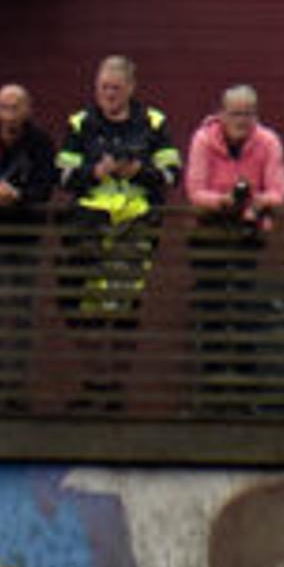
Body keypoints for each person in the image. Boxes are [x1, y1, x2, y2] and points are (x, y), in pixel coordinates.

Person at [55, 56, 177, 409]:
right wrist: (95, 172)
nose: (109, 94)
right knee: (79, 305)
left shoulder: (153, 122)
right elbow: (62, 174)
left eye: (116, 88)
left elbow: (172, 173)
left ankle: (113, 388)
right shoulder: (80, 123)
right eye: (103, 88)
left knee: (121, 308)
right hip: (87, 229)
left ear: (131, 88)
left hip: (135, 228)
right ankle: (94, 380)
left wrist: (138, 170)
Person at [184, 84, 284, 413]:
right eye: (235, 113)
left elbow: (279, 192)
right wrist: (225, 201)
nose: (241, 120)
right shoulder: (203, 140)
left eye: (248, 114)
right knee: (212, 314)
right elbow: (195, 192)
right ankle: (211, 395)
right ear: (221, 114)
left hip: (249, 236)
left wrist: (253, 203)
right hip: (209, 235)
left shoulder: (269, 142)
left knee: (245, 314)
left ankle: (243, 397)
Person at [0, 81, 61, 410]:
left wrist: (19, 196)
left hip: (26, 236)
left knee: (21, 313)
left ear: (27, 110)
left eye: (15, 108)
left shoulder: (40, 143)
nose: (9, 115)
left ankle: (15, 388)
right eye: (3, 108)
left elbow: (46, 187)